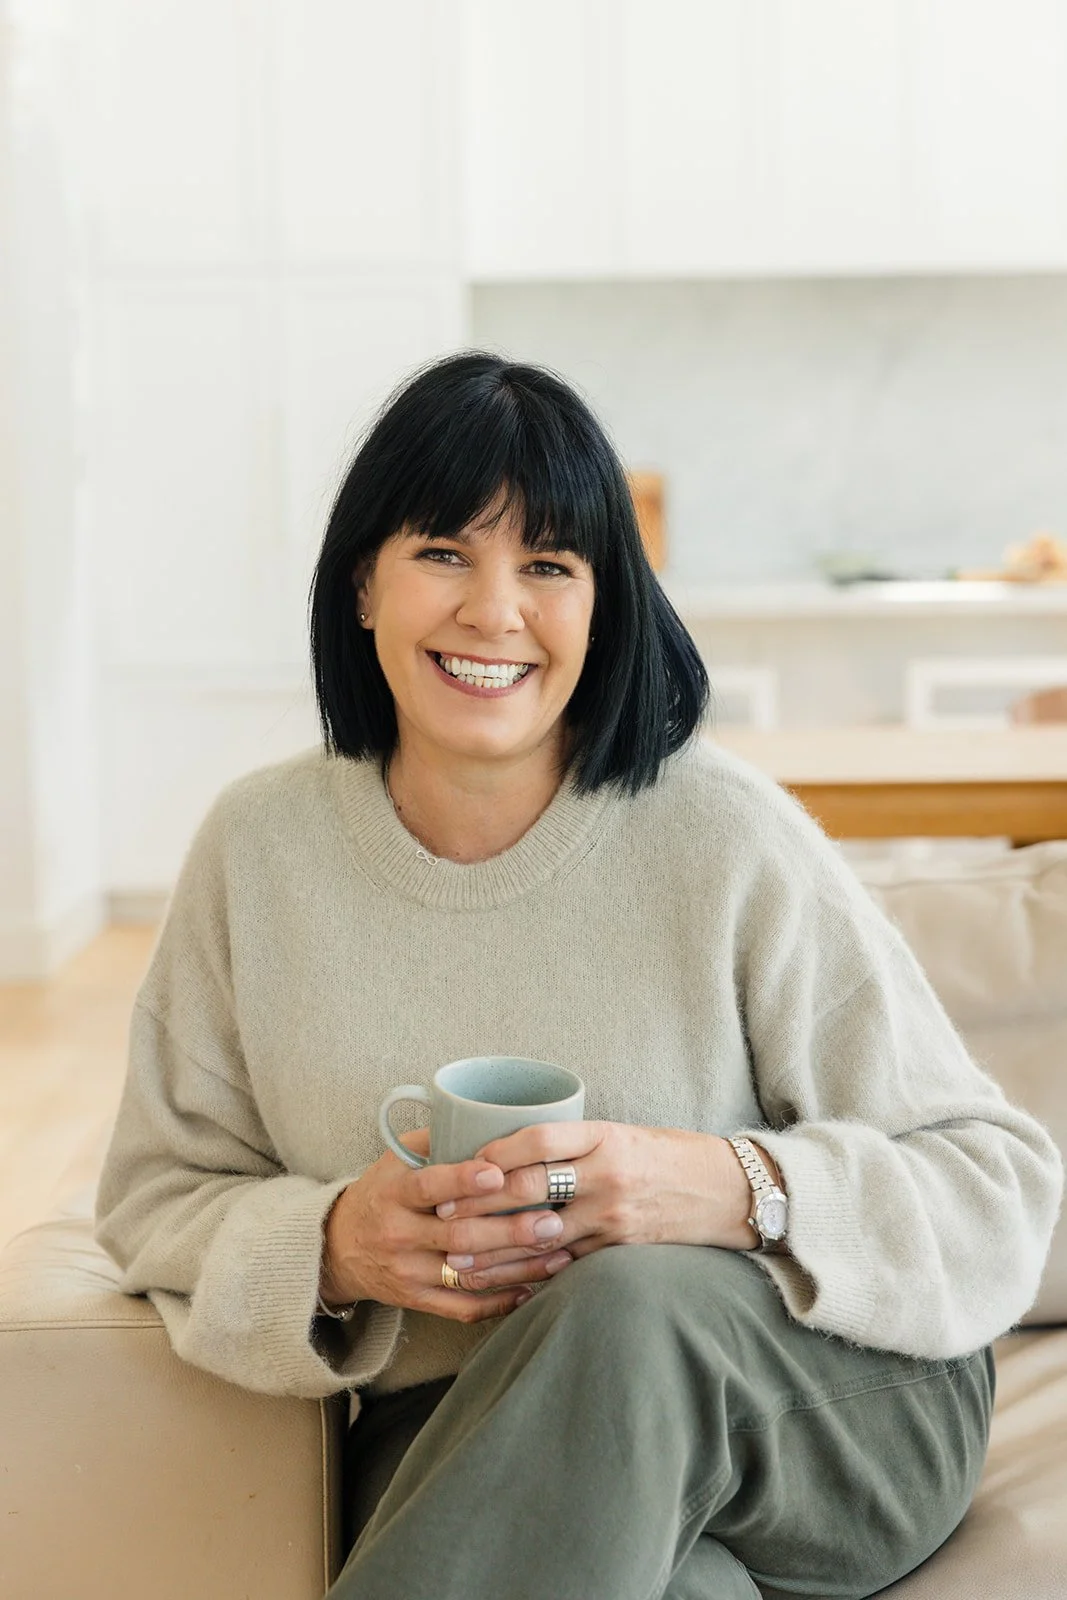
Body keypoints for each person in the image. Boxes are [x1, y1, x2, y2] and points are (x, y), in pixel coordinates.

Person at [95, 351, 1063, 1600]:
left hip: (836, 1404)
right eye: (443, 552)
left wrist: (724, 1184)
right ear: (362, 584)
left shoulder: (723, 837)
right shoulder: (258, 851)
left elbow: (995, 1183)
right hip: (468, 1438)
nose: (494, 610)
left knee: (623, 1306)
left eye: (548, 565)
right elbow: (156, 1197)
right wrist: (334, 1246)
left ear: (603, 605)